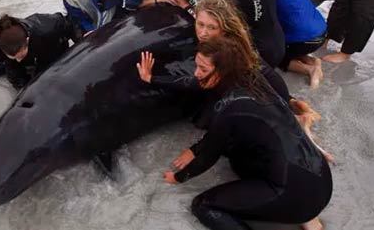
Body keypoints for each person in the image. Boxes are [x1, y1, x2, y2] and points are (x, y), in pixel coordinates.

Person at [138, 36, 332, 230]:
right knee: (239, 156)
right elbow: (193, 83)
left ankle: (300, 211)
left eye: (203, 69)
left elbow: (207, 158)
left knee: (203, 205)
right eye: (196, 66)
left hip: (296, 195)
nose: (196, 73)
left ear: (222, 72)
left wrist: (178, 177)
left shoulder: (228, 110)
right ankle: (308, 217)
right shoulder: (254, 79)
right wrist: (152, 79)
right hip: (321, 177)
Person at [260, 0, 326, 88]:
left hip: (307, 39)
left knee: (275, 57)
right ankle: (312, 61)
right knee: (286, 45)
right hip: (321, 32)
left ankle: (310, 69)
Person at [0, 13, 73, 89]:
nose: (19, 60)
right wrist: (24, 86)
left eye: (20, 57)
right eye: (14, 57)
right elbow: (13, 71)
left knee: (47, 74)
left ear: (27, 41)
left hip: (49, 44)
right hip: (21, 50)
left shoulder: (47, 30)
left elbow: (68, 24)